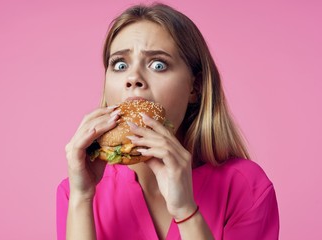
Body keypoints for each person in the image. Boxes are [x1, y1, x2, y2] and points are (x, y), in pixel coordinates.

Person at [56, 3, 279, 240]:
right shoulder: (77, 190)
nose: (133, 78)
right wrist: (82, 198)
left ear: (195, 87)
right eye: (120, 65)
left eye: (158, 65)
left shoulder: (247, 187)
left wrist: (185, 210)